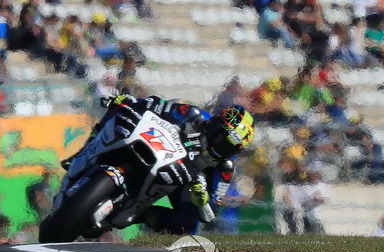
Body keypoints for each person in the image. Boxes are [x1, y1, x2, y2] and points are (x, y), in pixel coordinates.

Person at [63, 95, 255, 235]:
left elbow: (210, 214)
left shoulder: (225, 168)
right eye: (221, 139)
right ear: (215, 123)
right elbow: (156, 105)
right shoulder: (192, 114)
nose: (221, 148)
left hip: (181, 178)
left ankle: (143, 214)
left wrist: (201, 198)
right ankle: (83, 153)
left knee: (186, 226)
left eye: (230, 148)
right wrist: (130, 101)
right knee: (119, 107)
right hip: (156, 147)